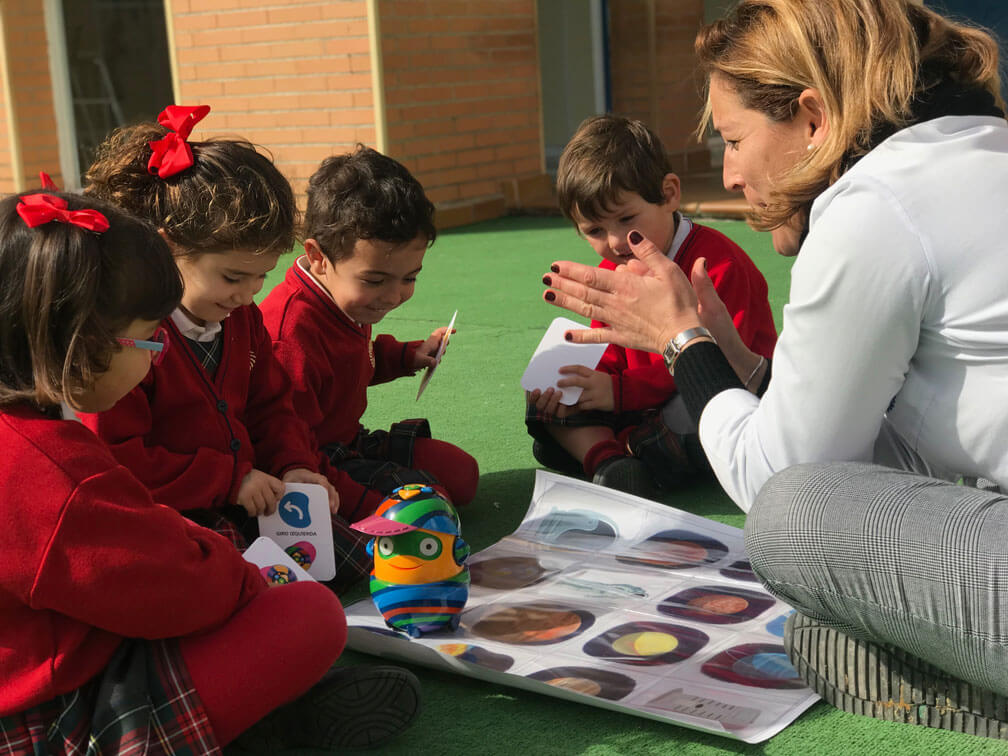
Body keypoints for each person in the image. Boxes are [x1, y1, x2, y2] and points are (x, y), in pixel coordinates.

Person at [541, 0, 1008, 739]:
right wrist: (739, 361)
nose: (728, 174)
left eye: (734, 139)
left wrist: (682, 344)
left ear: (814, 119)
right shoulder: (979, 148)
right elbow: (902, 447)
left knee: (792, 522)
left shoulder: (873, 206)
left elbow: (783, 484)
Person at [0, 189, 419, 753]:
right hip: (55, 713)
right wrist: (246, 576)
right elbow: (177, 589)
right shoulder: (51, 471)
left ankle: (265, 715)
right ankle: (258, 720)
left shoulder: (33, 430)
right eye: (149, 338)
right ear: (82, 343)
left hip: (66, 648)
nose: (156, 354)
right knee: (308, 616)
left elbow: (272, 409)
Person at [80, 105, 336, 552]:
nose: (249, 294)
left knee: (336, 549)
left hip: (249, 495)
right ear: (167, 248)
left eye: (262, 276)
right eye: (234, 277)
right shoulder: (131, 340)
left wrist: (293, 464)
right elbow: (121, 458)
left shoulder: (241, 319)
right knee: (225, 568)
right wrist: (230, 480)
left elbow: (271, 405)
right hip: (169, 513)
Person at [260, 145, 480, 590]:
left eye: (410, 277)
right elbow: (288, 445)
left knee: (462, 476)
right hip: (308, 466)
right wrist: (368, 504)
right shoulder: (291, 333)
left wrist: (409, 356)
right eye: (376, 280)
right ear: (319, 257)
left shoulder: (344, 304)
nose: (394, 295)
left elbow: (357, 360)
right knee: (428, 513)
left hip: (345, 442)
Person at [526, 114, 777, 498]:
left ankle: (603, 449)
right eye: (594, 230)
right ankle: (611, 461)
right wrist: (582, 382)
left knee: (688, 417)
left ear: (670, 194)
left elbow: (715, 369)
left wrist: (619, 393)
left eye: (627, 218)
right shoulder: (611, 269)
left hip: (715, 395)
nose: (614, 241)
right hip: (638, 402)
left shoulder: (715, 266)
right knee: (551, 399)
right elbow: (605, 347)